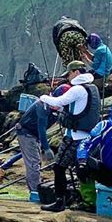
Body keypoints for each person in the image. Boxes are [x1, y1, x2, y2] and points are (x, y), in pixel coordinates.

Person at [38, 60, 101, 213]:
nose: (68, 78)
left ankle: (60, 201)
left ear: (76, 72)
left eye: (69, 74)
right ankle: (89, 202)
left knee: (59, 167)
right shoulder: (92, 88)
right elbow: (75, 107)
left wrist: (43, 97)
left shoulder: (78, 89)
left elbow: (59, 101)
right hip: (88, 137)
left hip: (74, 137)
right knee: (82, 170)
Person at [15, 96, 56, 203]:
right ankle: (35, 192)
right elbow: (41, 128)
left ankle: (36, 187)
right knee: (33, 163)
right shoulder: (42, 106)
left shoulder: (56, 108)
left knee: (36, 163)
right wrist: (46, 148)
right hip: (27, 134)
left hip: (34, 135)